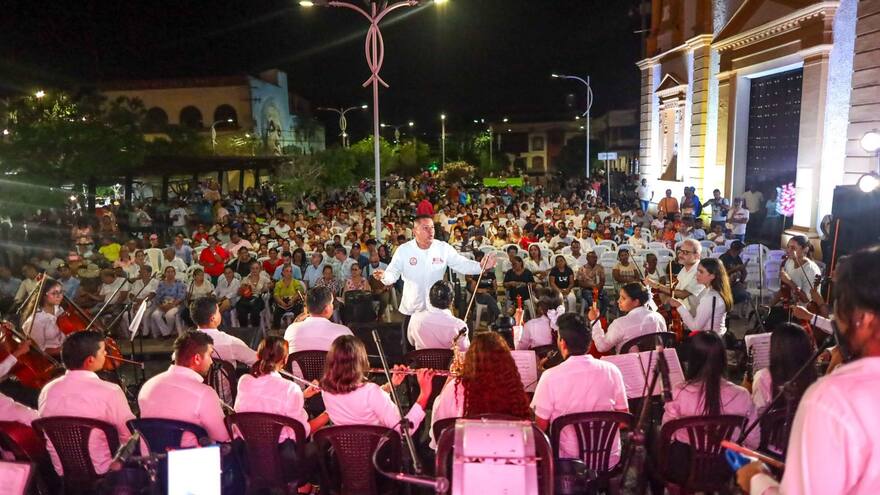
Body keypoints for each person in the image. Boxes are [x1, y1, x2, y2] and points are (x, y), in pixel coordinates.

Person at [737, 246, 880, 494]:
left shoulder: (834, 397)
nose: (836, 322)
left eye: (840, 310)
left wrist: (756, 480)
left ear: (864, 319)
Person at [373, 215, 492, 350]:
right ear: (415, 231)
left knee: (443, 352)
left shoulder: (442, 248)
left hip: (437, 311)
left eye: (432, 228)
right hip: (413, 310)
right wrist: (384, 276)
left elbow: (461, 264)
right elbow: (392, 274)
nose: (431, 231)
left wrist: (480, 266)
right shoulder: (404, 250)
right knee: (410, 352)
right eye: (425, 228)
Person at [532, 313, 628, 462]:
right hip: (609, 459)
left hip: (570, 464)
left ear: (562, 343)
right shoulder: (612, 370)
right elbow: (623, 421)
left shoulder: (550, 377)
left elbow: (540, 427)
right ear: (589, 343)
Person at [662, 332, 757, 482]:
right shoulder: (742, 395)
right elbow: (753, 441)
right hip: (725, 468)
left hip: (686, 467)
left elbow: (667, 433)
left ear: (692, 360)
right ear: (723, 359)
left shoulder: (679, 391)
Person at [234, 336, 328, 486]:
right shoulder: (290, 388)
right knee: (323, 445)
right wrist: (329, 412)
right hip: (282, 462)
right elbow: (301, 432)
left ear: (258, 356)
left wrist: (302, 396)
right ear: (285, 360)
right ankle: (305, 486)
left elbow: (266, 403)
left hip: (249, 458)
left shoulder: (244, 381)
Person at [38, 331, 135, 476]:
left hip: (63, 473)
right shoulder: (110, 391)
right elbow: (127, 435)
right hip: (104, 473)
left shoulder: (48, 390)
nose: (106, 356)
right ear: (90, 360)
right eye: (103, 352)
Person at [431, 332, 531, 445]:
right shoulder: (513, 387)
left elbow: (440, 434)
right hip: (510, 456)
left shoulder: (455, 388)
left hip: (466, 455)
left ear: (470, 359)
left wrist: (449, 380)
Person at [321, 335, 434, 433]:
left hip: (345, 453)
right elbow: (404, 430)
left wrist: (391, 384)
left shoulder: (325, 390)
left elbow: (361, 399)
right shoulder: (371, 392)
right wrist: (424, 394)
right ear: (361, 360)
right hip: (378, 453)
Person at [138, 331, 231, 445]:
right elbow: (222, 436)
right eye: (210, 355)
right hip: (190, 461)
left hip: (152, 460)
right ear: (197, 358)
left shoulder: (147, 386)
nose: (211, 362)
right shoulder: (204, 394)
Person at [746, 323, 817, 419]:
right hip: (805, 432)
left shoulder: (763, 377)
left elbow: (757, 417)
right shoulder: (813, 376)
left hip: (772, 433)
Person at [590, 282, 668, 353]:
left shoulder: (620, 323)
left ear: (636, 302)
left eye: (623, 298)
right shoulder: (659, 317)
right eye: (619, 297)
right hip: (655, 364)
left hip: (629, 366)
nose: (618, 301)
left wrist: (595, 321)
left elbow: (602, 347)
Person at [669, 258, 731, 335]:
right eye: (697, 270)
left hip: (710, 342)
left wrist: (679, 306)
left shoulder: (710, 297)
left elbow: (695, 327)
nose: (696, 274)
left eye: (701, 272)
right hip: (717, 338)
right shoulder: (717, 292)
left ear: (712, 276)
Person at [190, 295, 257, 367]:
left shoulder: (184, 344)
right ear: (213, 318)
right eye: (218, 311)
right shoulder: (231, 343)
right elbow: (257, 361)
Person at [283, 286, 352, 353]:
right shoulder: (344, 332)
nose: (333, 306)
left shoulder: (291, 330)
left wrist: (295, 323)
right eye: (331, 303)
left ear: (307, 307)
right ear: (327, 309)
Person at [408, 281, 469, 351]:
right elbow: (463, 350)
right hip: (448, 362)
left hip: (422, 361)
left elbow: (411, 342)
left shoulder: (415, 318)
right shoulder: (459, 325)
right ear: (452, 301)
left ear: (430, 299)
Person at [646, 238, 703, 312]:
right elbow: (675, 289)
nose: (680, 255)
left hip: (693, 316)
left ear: (697, 256)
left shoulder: (701, 271)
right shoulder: (685, 268)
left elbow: (682, 294)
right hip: (680, 312)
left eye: (685, 252)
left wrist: (656, 285)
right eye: (680, 251)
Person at [778, 235, 821, 304]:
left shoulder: (811, 269)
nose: (788, 250)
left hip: (804, 311)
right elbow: (783, 290)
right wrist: (769, 305)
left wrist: (789, 281)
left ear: (805, 249)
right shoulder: (789, 261)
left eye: (793, 248)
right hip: (790, 306)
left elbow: (806, 300)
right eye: (788, 247)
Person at [466, 250, 501, 327]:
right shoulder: (477, 274)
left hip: (490, 294)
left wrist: (490, 290)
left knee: (490, 299)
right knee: (487, 296)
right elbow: (472, 289)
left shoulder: (492, 274)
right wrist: (481, 290)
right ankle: (499, 316)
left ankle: (491, 323)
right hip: (480, 296)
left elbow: (495, 288)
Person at [151, 266, 186, 338]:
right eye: (168, 272)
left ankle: (168, 331)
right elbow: (157, 296)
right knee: (155, 314)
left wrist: (172, 305)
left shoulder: (179, 283)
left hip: (175, 304)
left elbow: (181, 296)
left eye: (172, 271)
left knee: (169, 315)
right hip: (163, 305)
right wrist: (161, 306)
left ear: (175, 273)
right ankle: (166, 332)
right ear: (165, 273)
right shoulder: (161, 284)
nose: (170, 273)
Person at [235, 261, 271, 328]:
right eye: (253, 268)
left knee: (255, 311)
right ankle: (244, 330)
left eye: (257, 268)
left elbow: (271, 285)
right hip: (246, 299)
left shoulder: (263, 278)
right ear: (250, 269)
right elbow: (239, 293)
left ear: (260, 269)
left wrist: (265, 288)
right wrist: (242, 289)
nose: (254, 270)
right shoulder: (245, 279)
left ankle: (255, 330)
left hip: (258, 299)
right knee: (241, 309)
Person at [719, 240, 750, 305]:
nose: (741, 251)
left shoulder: (737, 258)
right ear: (738, 250)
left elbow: (743, 272)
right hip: (724, 283)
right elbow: (720, 274)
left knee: (744, 295)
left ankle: (730, 306)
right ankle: (728, 306)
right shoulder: (723, 258)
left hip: (735, 283)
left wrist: (743, 270)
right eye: (741, 249)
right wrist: (734, 269)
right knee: (741, 295)